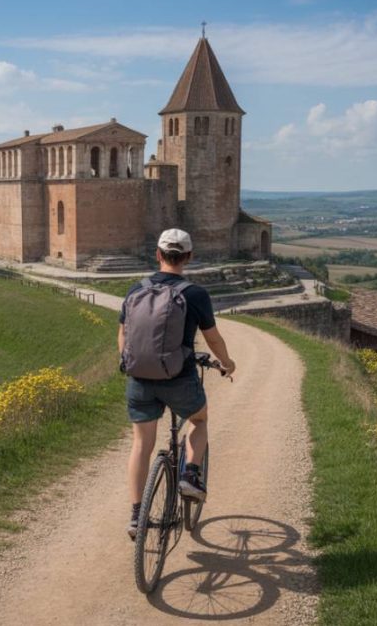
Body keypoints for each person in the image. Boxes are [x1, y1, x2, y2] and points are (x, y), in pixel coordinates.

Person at [119, 228, 236, 538]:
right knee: (199, 419)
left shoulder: (135, 290)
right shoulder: (194, 294)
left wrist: (127, 362)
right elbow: (213, 339)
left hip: (139, 379)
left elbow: (123, 334)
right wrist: (227, 363)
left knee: (141, 444)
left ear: (157, 255)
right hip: (178, 378)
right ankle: (190, 475)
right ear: (188, 257)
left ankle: (135, 516)